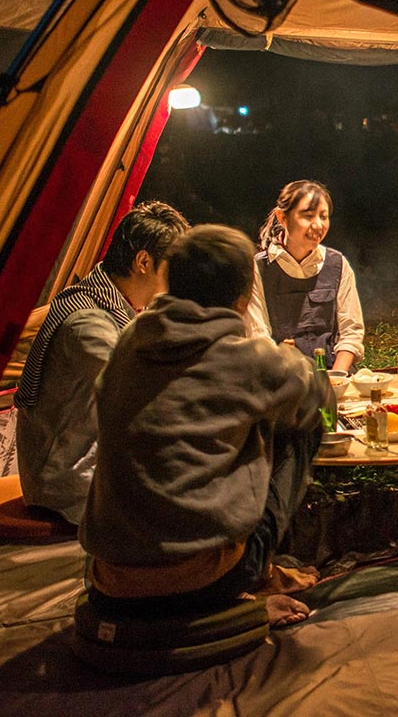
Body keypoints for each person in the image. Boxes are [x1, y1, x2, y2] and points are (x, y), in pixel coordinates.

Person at [81, 224, 329, 628]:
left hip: (110, 578)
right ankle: (256, 574)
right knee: (299, 423)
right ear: (244, 297)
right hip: (205, 581)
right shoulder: (249, 360)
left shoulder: (129, 343)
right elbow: (318, 399)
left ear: (168, 281)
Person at [14, 200, 189, 525]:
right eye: (172, 267)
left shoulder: (111, 301)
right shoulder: (87, 324)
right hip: (64, 479)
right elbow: (139, 389)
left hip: (83, 454)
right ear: (143, 262)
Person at [246, 179, 363, 373]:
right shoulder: (258, 268)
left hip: (333, 374)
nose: (318, 225)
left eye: (323, 217)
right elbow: (258, 338)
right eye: (308, 216)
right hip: (281, 378)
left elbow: (351, 332)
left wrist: (336, 378)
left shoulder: (337, 264)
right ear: (282, 217)